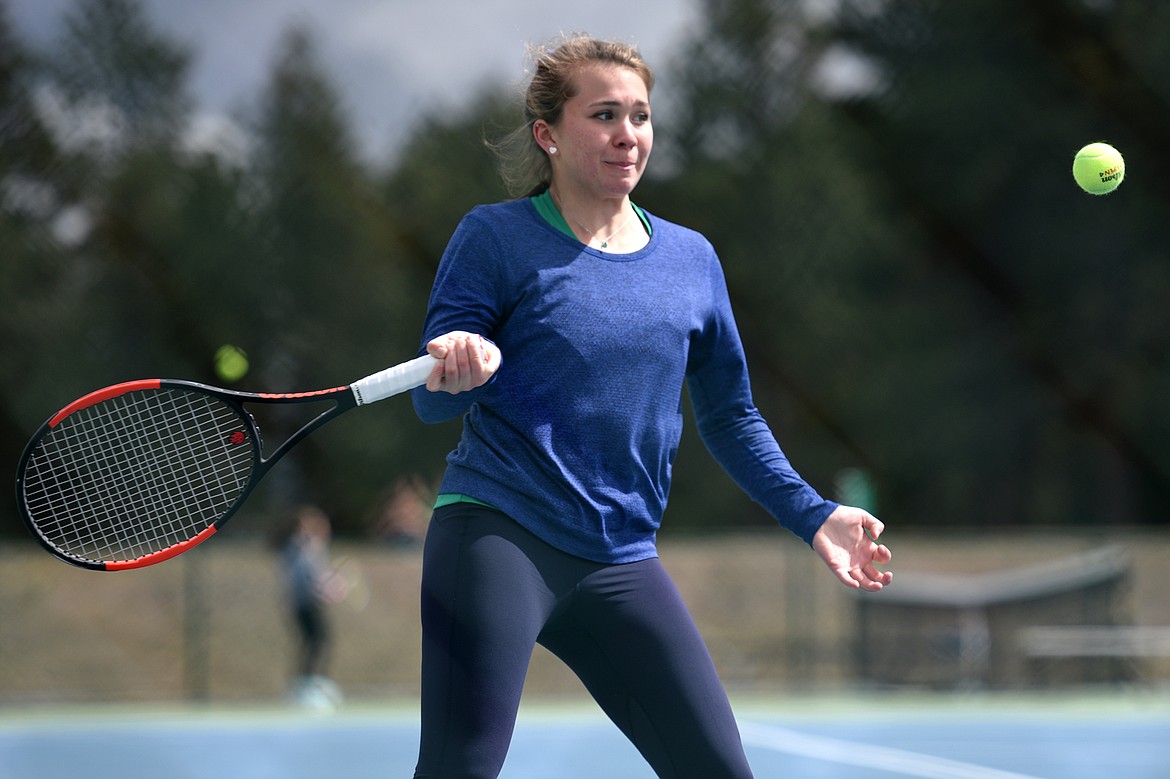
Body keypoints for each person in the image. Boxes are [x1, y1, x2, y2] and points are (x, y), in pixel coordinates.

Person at [409, 34, 893, 779]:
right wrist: (455, 369)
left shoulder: (691, 259)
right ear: (549, 133)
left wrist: (813, 512)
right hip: (498, 535)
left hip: (620, 557)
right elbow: (429, 404)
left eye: (639, 115)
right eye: (603, 114)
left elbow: (730, 416)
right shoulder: (494, 238)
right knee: (460, 769)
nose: (627, 134)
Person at [280, 504, 346, 709]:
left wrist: (326, 589)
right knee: (317, 642)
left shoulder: (308, 548)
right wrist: (326, 590)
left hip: (307, 603)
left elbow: (316, 577)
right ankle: (305, 687)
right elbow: (308, 578)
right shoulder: (303, 547)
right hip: (304, 604)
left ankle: (308, 684)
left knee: (318, 642)